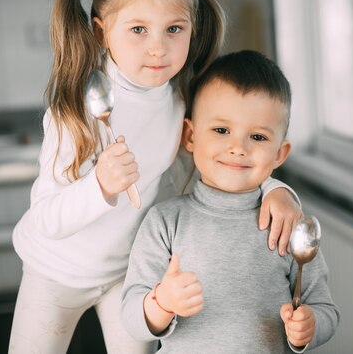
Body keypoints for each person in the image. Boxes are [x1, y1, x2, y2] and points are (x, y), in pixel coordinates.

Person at [9, 0, 302, 354]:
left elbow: (221, 155)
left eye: (174, 29)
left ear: (192, 31)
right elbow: (45, 221)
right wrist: (99, 186)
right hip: (54, 272)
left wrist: (274, 188)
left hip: (128, 274)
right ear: (100, 33)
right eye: (138, 30)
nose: (158, 48)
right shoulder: (78, 110)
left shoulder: (182, 99)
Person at [122, 50, 339, 353]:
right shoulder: (165, 221)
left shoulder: (288, 224)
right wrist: (162, 301)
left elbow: (324, 307)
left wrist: (311, 324)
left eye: (258, 137)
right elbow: (131, 318)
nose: (238, 148)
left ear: (280, 153)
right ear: (191, 136)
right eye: (221, 130)